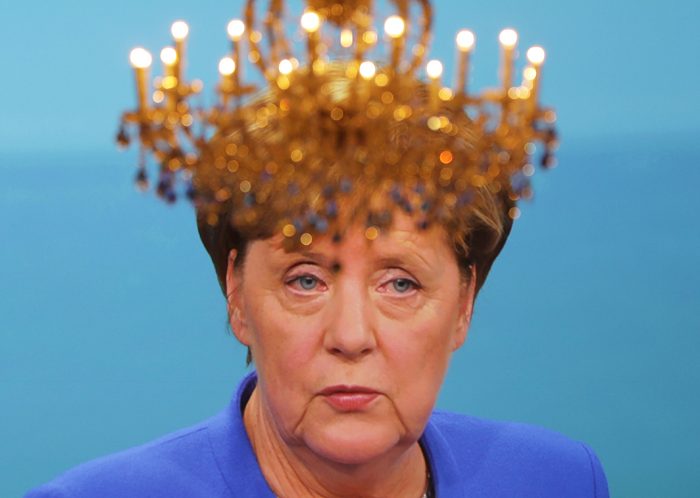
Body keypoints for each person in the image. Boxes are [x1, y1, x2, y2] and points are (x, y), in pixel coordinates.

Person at [26, 0, 609, 496]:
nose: (350, 336)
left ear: (463, 306)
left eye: (399, 283)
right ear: (237, 297)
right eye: (305, 279)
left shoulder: (559, 479)